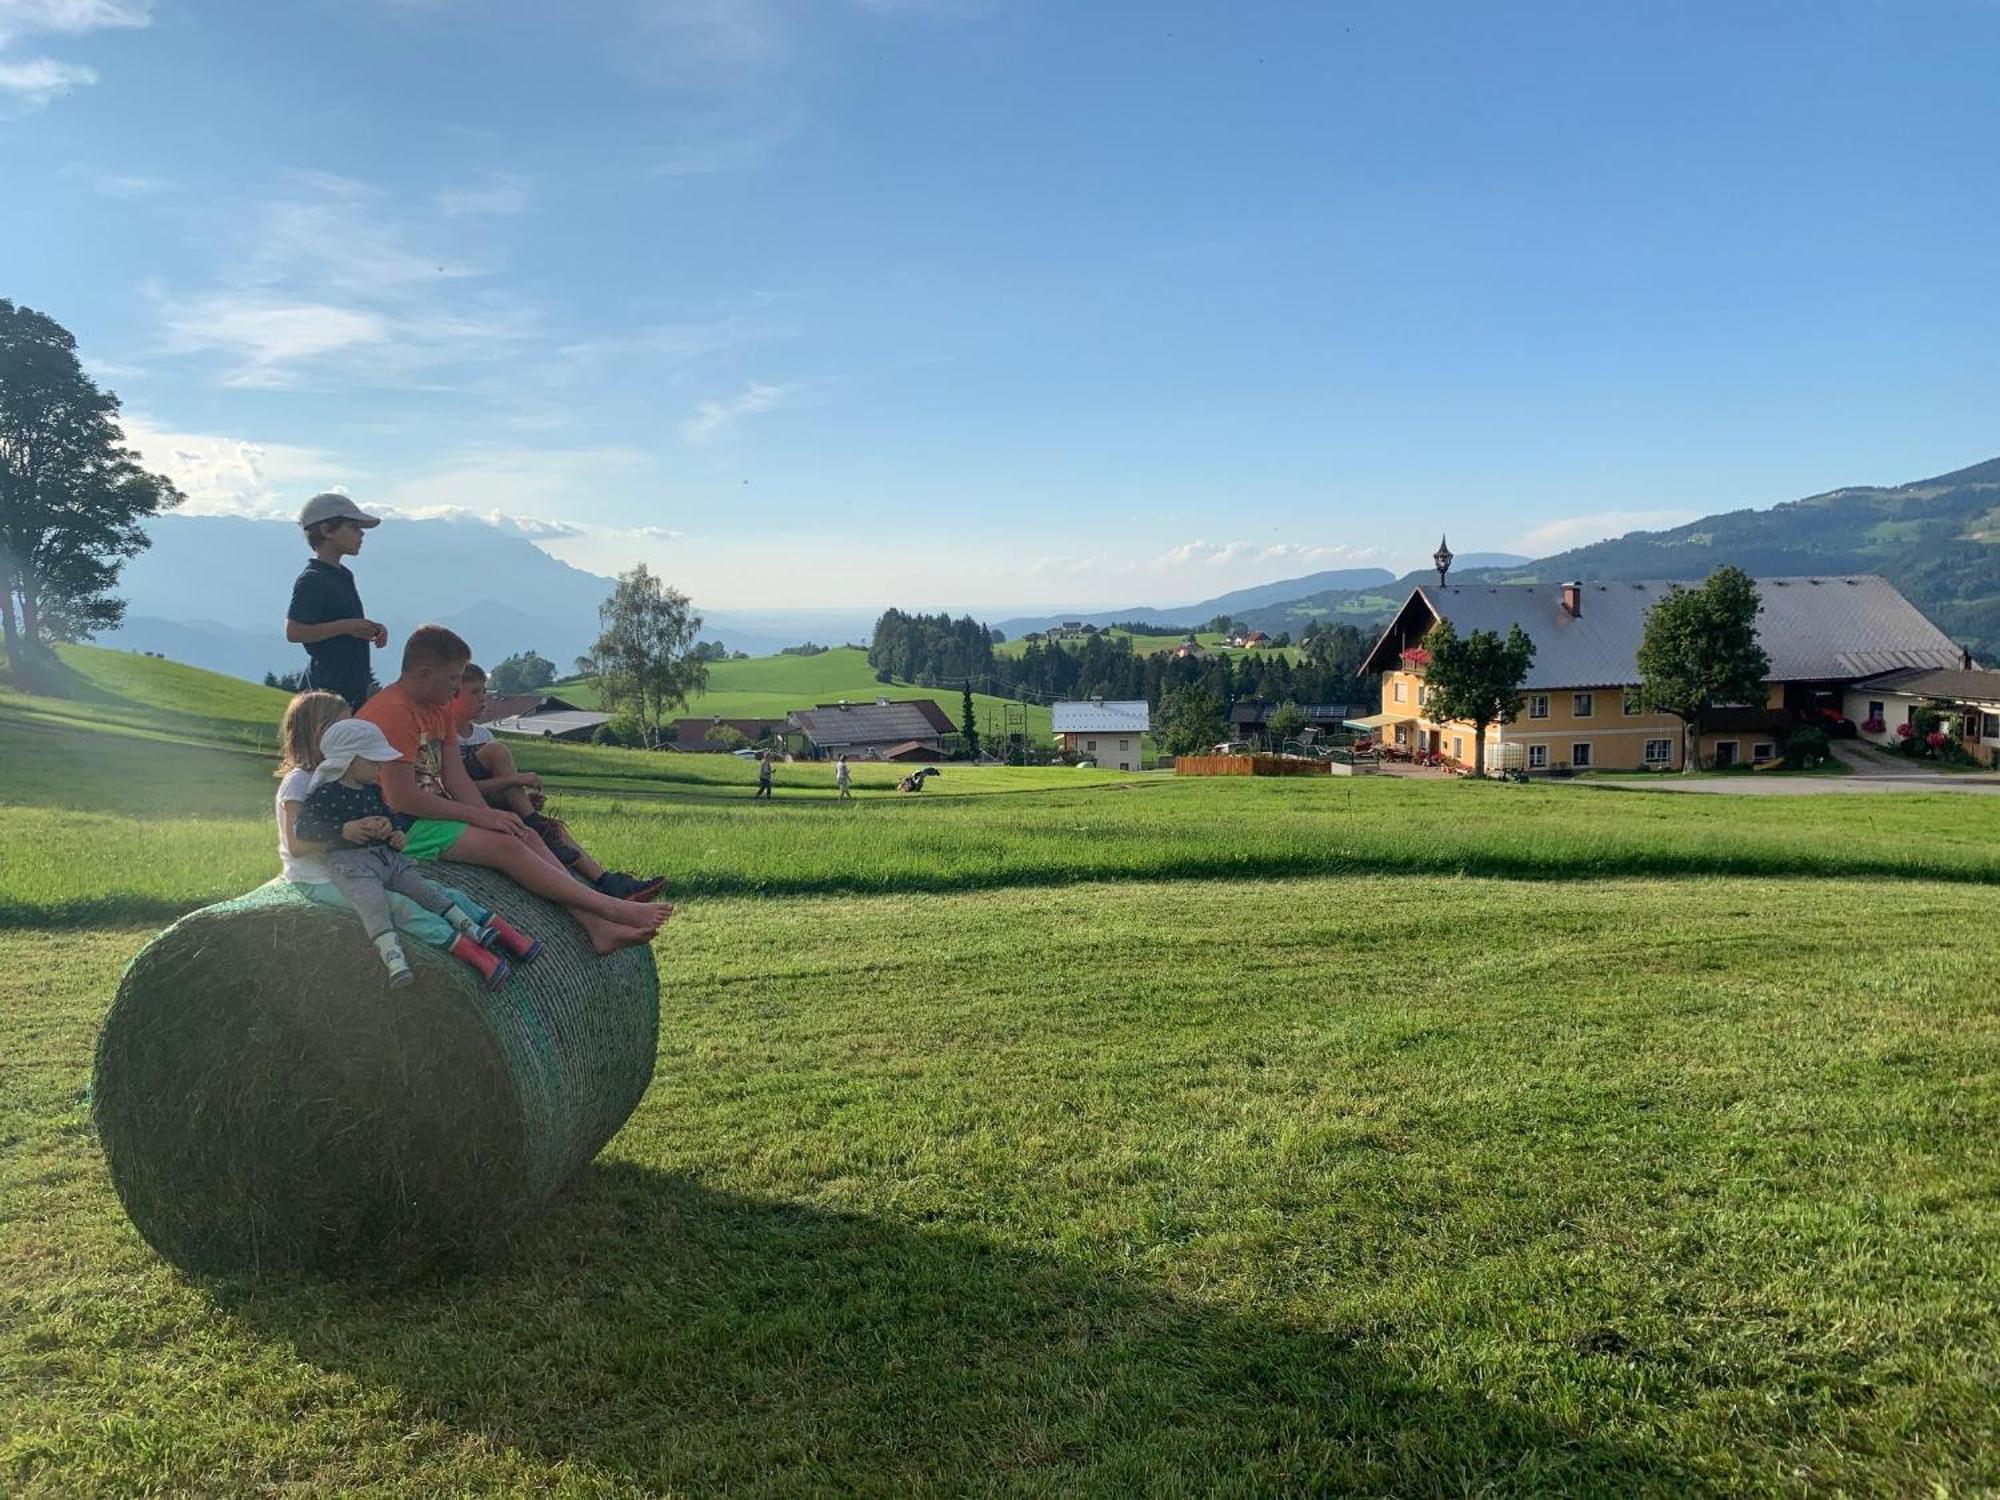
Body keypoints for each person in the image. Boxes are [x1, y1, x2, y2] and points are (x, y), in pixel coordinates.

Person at [356, 623, 669, 954]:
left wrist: (490, 817)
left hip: (425, 815)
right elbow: (400, 797)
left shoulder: (437, 710)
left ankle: (597, 927)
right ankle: (612, 908)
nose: (455, 689)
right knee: (506, 847)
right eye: (452, 680)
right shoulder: (392, 713)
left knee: (524, 834)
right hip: (393, 825)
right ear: (423, 673)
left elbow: (456, 778)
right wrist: (483, 819)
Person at [274, 690, 517, 977]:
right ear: (322, 732)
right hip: (318, 877)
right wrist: (346, 832)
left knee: (436, 891)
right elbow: (296, 845)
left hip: (362, 865)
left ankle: (501, 936)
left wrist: (383, 830)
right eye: (345, 725)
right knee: (400, 907)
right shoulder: (299, 783)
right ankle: (471, 953)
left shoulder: (346, 780)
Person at [447, 664, 667, 901]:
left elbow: (494, 788)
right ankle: (579, 889)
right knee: (501, 759)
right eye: (475, 692)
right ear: (453, 695)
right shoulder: (445, 737)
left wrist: (521, 799)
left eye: (484, 692)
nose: (483, 699)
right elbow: (456, 789)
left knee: (556, 830)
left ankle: (607, 882)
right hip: (466, 812)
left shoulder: (483, 735)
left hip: (491, 808)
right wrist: (515, 780)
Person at [284, 492, 389, 711]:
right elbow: (294, 631)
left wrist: (370, 628)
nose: (361, 534)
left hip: (348, 693)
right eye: (353, 527)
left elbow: (343, 624)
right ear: (326, 530)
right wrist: (348, 627)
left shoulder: (343, 575)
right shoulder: (312, 579)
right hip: (324, 698)